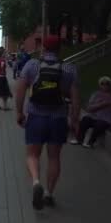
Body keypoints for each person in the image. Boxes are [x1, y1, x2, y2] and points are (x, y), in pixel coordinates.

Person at [15, 35, 80, 210]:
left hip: (36, 116)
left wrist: (19, 112)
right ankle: (49, 194)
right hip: (58, 118)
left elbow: (20, 90)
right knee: (54, 157)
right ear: (60, 49)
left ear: (43, 47)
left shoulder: (32, 65)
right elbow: (75, 98)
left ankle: (36, 182)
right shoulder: (69, 68)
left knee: (32, 155)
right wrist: (74, 120)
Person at [71, 77, 111, 148]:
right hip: (95, 116)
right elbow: (89, 108)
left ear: (110, 85)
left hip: (108, 119)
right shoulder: (96, 94)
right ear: (100, 85)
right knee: (85, 119)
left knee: (99, 125)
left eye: (107, 83)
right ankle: (79, 139)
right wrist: (101, 104)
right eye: (102, 84)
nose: (105, 85)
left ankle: (90, 142)